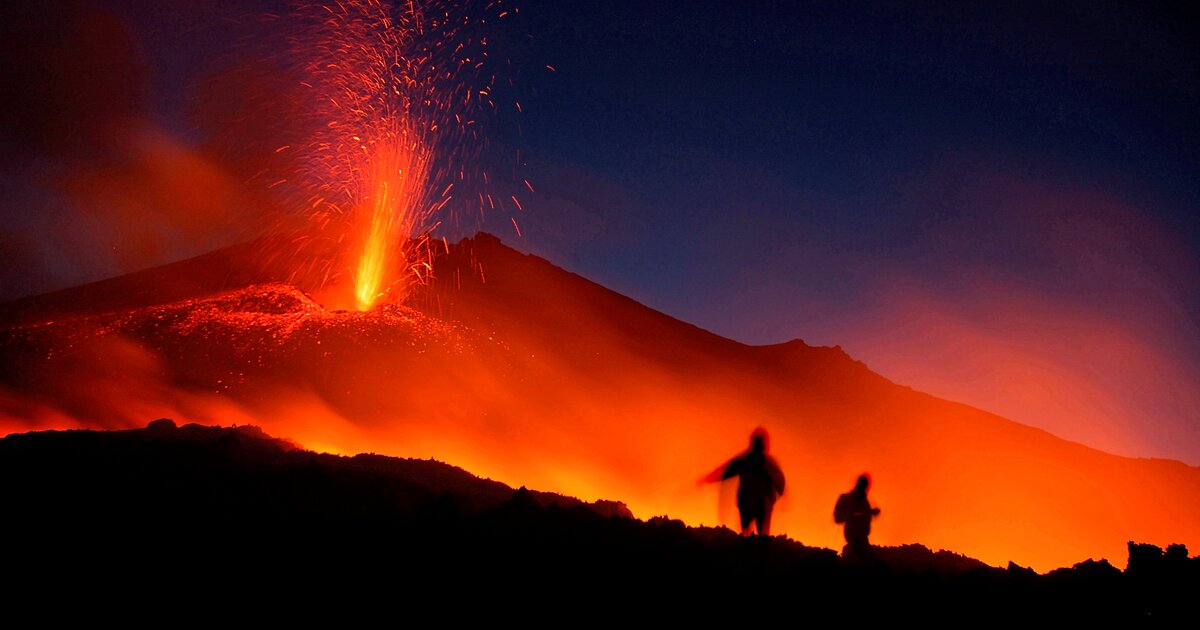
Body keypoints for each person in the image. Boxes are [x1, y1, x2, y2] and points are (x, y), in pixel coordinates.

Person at [699, 428, 786, 536]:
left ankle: (754, 545)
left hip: (755, 502)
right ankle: (756, 546)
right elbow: (726, 472)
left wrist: (707, 479)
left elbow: (725, 471)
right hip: (752, 502)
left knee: (755, 533)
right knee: (757, 534)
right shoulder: (757, 463)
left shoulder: (748, 461)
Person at [834, 473, 880, 560]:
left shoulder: (863, 501)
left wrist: (870, 512)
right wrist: (867, 512)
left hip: (861, 538)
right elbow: (840, 517)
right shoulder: (849, 499)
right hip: (854, 538)